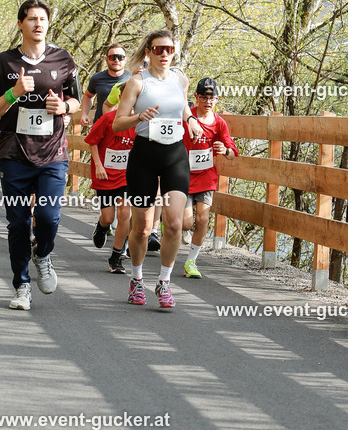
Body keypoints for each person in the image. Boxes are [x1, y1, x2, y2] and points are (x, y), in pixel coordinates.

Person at [0, 0, 81, 310]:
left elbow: (78, 103)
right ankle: (21, 285)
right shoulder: (4, 63)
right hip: (14, 155)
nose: (38, 24)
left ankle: (42, 253)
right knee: (17, 223)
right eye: (32, 19)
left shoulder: (63, 60)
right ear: (20, 24)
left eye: (43, 19)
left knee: (49, 218)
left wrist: (64, 107)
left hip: (53, 153)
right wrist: (14, 93)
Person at [113, 28, 203, 310]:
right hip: (144, 157)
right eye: (158, 49)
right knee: (140, 229)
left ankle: (164, 282)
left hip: (175, 155)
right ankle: (137, 279)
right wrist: (139, 116)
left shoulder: (180, 79)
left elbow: (184, 108)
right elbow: (118, 122)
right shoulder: (138, 83)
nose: (164, 54)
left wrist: (191, 120)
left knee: (175, 223)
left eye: (169, 49)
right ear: (148, 52)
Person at [182, 77, 238, 278]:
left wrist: (224, 150)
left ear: (217, 99)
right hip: (183, 175)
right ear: (196, 98)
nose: (208, 101)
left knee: (203, 219)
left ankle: (191, 262)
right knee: (186, 223)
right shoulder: (186, 118)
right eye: (204, 97)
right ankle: (167, 219)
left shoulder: (219, 123)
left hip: (206, 177)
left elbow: (232, 151)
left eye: (212, 97)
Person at [84, 82, 135, 274]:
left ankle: (116, 257)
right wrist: (98, 165)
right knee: (108, 217)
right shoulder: (107, 119)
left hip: (126, 176)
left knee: (124, 214)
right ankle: (102, 226)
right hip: (104, 173)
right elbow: (92, 142)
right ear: (121, 99)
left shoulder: (139, 123)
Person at [80, 43, 130, 126]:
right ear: (106, 60)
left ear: (125, 60)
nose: (116, 60)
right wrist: (84, 114)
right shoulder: (97, 78)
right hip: (101, 125)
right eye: (112, 57)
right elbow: (88, 96)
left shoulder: (132, 79)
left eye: (120, 57)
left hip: (123, 127)